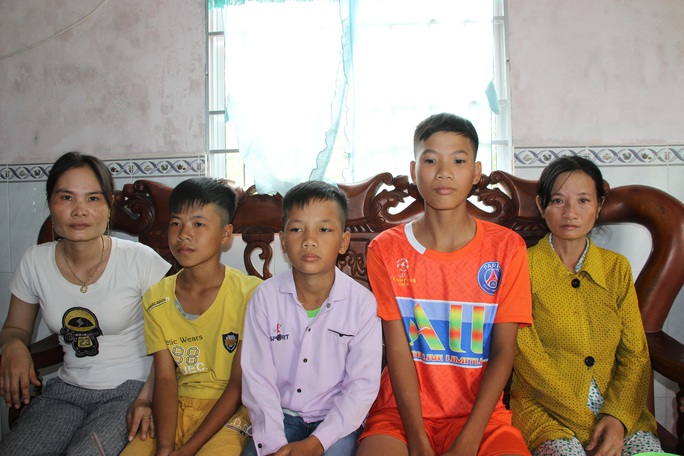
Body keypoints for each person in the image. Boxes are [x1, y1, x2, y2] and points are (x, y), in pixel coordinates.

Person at [356, 113, 533, 456]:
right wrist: (419, 441)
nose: (444, 172)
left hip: (482, 419)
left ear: (476, 172)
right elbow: (398, 351)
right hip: (399, 417)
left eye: (459, 160)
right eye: (431, 159)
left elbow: (503, 351)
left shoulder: (507, 248)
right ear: (413, 170)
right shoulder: (386, 249)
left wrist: (468, 439)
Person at [0, 151, 171, 455]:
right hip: (66, 391)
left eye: (93, 199)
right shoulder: (34, 262)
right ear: (51, 203)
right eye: (66, 197)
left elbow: (174, 339)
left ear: (108, 208)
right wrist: (13, 346)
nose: (79, 210)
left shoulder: (140, 261)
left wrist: (148, 397)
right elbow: (15, 327)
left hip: (130, 391)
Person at [510, 156, 663, 456]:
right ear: (541, 206)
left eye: (583, 200)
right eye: (557, 201)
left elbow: (635, 353)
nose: (570, 213)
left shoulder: (616, 268)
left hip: (617, 410)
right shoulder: (522, 267)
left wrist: (617, 418)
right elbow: (526, 356)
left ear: (599, 205)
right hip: (546, 411)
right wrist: (588, 423)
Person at [121, 177, 262, 456]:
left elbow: (237, 384)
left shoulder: (250, 294)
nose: (184, 234)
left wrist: (188, 449)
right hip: (175, 405)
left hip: (233, 408)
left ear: (225, 234)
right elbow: (165, 379)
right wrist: (164, 446)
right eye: (176, 223)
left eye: (198, 224)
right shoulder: (156, 298)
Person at [240, 180, 383, 456]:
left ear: (343, 242)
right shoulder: (264, 298)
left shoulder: (361, 304)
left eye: (324, 229)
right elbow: (258, 381)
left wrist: (317, 443)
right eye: (296, 229)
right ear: (282, 241)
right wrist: (274, 444)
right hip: (278, 418)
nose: (309, 239)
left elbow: (360, 388)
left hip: (336, 421)